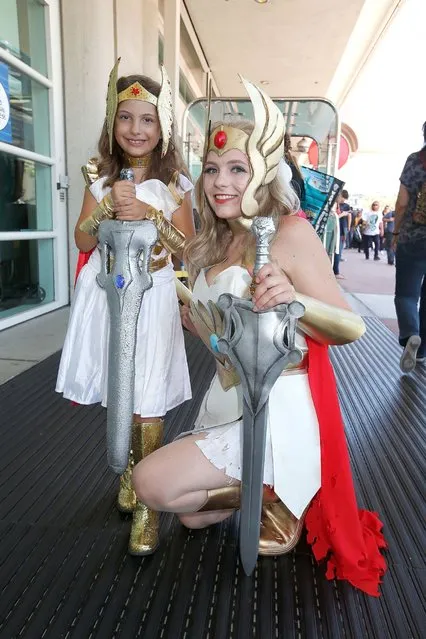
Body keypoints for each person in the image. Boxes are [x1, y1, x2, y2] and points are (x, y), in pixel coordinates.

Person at [132, 78, 387, 596]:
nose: (219, 182)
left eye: (237, 169)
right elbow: (223, 335)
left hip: (279, 408)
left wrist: (295, 299)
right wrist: (199, 321)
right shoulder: (215, 239)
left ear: (264, 173)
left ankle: (281, 485)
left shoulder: (289, 233)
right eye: (211, 169)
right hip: (227, 397)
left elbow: (351, 327)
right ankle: (269, 494)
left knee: (150, 483)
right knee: (191, 519)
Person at [56, 60, 195, 554]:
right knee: (121, 387)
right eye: (126, 117)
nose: (137, 129)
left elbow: (187, 249)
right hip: (108, 299)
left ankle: (147, 505)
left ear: (163, 129)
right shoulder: (99, 176)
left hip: (153, 297)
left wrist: (152, 214)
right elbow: (80, 237)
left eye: (148, 119)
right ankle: (131, 475)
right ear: (112, 123)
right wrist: (109, 209)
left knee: (148, 392)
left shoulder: (175, 181)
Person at [393, 120, 426, 373]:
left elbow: (403, 203)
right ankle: (423, 351)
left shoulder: (415, 160)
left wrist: (395, 232)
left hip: (412, 238)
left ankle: (410, 336)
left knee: (406, 294)